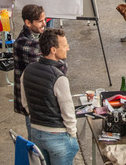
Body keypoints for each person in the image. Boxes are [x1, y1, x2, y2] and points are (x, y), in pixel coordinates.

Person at [21, 28, 78, 165]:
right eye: (65, 46)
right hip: (58, 138)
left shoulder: (28, 70)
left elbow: (25, 102)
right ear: (53, 50)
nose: (68, 49)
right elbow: (68, 112)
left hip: (36, 133)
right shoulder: (59, 78)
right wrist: (72, 134)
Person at [14, 4, 48, 139]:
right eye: (40, 21)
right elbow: (44, 70)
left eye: (44, 20)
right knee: (35, 140)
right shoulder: (25, 44)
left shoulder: (35, 36)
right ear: (28, 22)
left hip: (36, 99)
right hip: (32, 101)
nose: (44, 24)